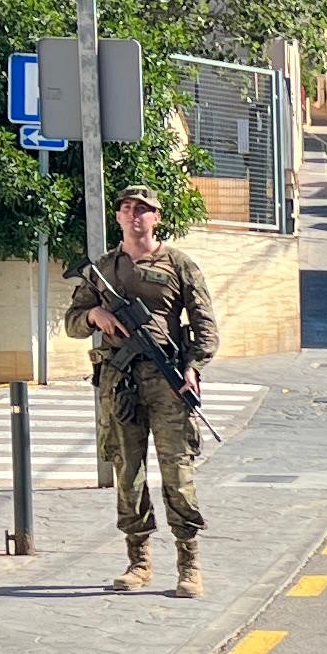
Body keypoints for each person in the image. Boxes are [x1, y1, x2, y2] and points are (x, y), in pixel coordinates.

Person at [64, 183, 216, 595]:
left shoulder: (179, 265)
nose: (135, 216)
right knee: (127, 473)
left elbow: (205, 327)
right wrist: (96, 315)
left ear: (157, 217)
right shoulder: (102, 270)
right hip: (119, 382)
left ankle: (189, 564)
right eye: (128, 208)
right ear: (118, 216)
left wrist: (193, 368)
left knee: (177, 472)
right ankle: (139, 561)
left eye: (143, 210)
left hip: (167, 384)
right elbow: (72, 322)